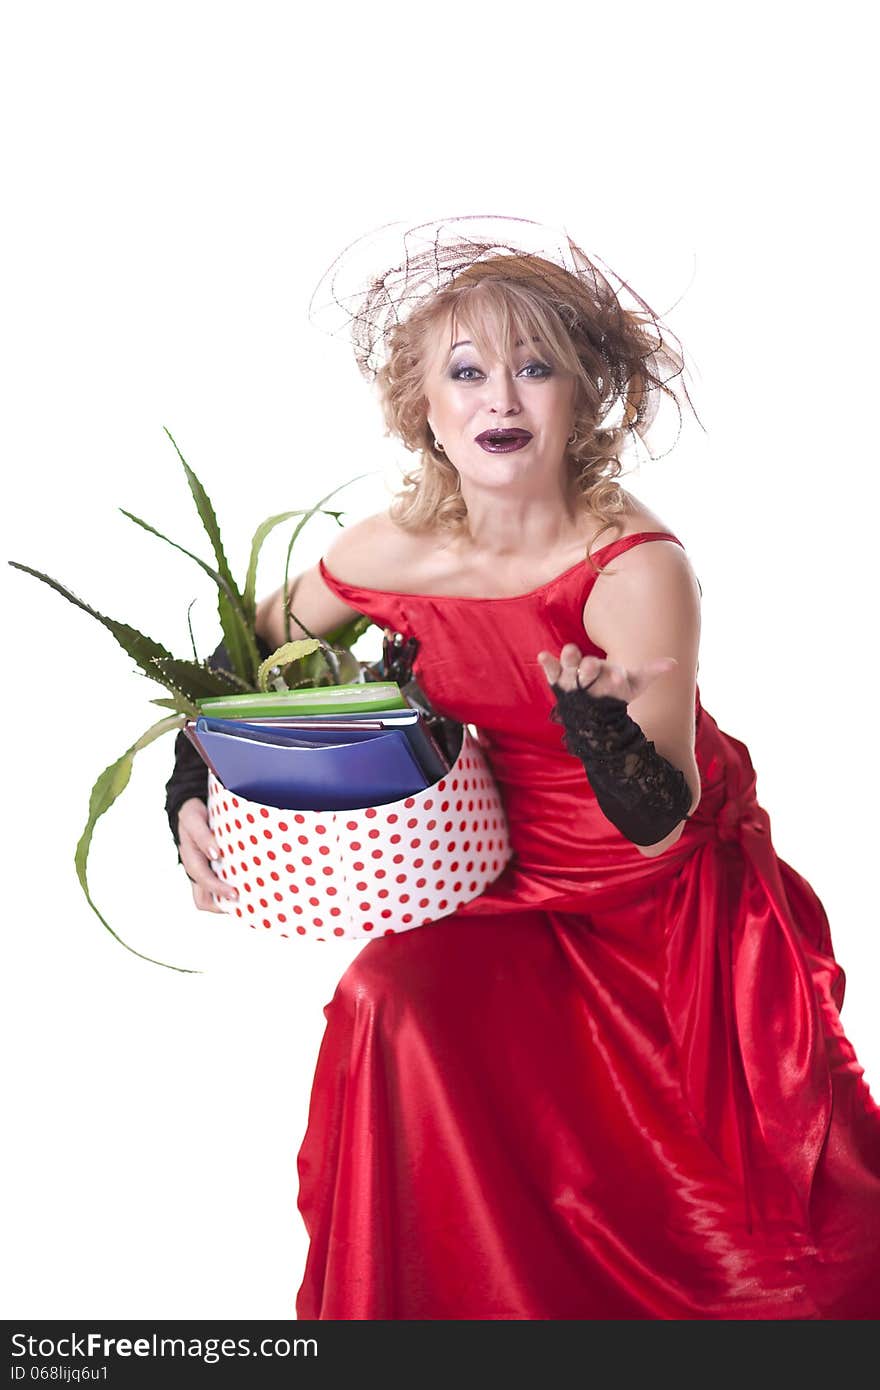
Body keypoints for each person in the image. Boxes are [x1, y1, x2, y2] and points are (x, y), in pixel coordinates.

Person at [166, 222, 880, 1319]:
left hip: (657, 911)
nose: (502, 395)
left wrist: (598, 731)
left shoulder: (632, 569)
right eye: (467, 371)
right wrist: (188, 790)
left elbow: (659, 820)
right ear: (426, 408)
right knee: (386, 999)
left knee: (781, 1255)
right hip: (495, 893)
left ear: (580, 398)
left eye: (534, 367)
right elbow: (237, 666)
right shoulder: (389, 548)